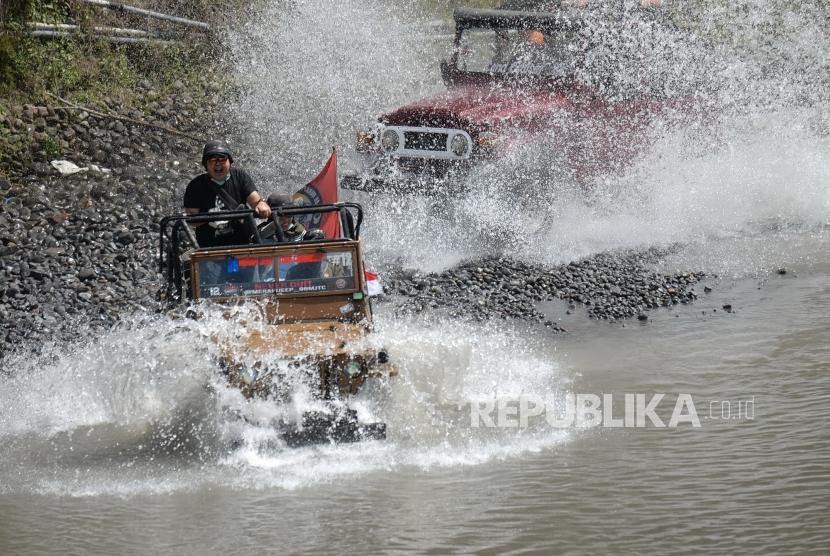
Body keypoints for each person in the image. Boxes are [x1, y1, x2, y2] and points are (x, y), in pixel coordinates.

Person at [183, 140, 272, 246]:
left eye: (222, 159)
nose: (218, 163)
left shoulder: (240, 176)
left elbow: (256, 201)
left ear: (230, 162)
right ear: (206, 164)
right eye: (212, 160)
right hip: (210, 248)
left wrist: (261, 204)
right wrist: (213, 216)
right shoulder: (196, 185)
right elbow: (192, 220)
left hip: (242, 244)